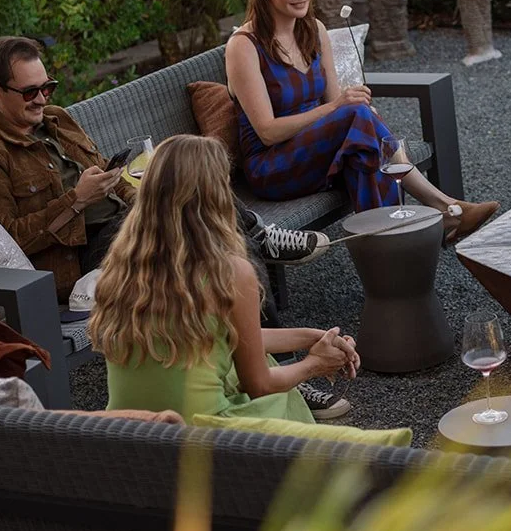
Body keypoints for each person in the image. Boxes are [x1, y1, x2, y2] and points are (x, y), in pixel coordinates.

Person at [0, 36, 350, 422]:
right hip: (85, 255)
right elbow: (10, 238)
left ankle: (256, 244)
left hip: (129, 225)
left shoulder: (58, 119)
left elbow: (110, 177)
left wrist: (146, 194)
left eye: (47, 88)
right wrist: (76, 200)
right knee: (220, 246)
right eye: (29, 92)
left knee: (193, 191)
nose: (42, 99)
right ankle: (266, 281)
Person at [226, 0, 498, 243]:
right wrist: (342, 109)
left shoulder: (314, 31)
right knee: (359, 121)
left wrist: (350, 111)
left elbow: (334, 103)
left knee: (365, 154)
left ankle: (390, 265)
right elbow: (267, 132)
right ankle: (443, 208)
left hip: (318, 150)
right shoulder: (244, 45)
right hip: (273, 168)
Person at [92, 134, 360, 426]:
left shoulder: (121, 269)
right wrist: (314, 365)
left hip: (126, 430)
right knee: (278, 390)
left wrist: (311, 336)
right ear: (217, 195)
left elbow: (224, 336)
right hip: (203, 437)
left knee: (250, 363)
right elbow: (258, 385)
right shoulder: (229, 272)